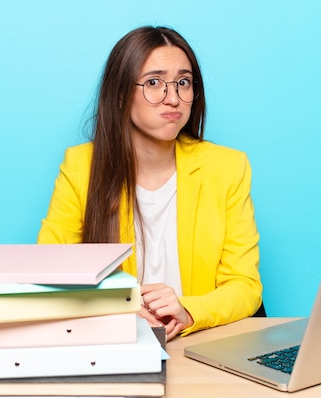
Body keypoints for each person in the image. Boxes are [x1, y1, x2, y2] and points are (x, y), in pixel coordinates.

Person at [38, 25, 263, 340]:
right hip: (113, 341)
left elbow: (245, 285)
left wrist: (189, 310)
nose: (173, 98)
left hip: (200, 343)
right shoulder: (81, 167)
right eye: (154, 82)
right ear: (119, 95)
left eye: (183, 82)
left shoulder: (226, 167)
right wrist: (117, 303)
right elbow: (49, 272)